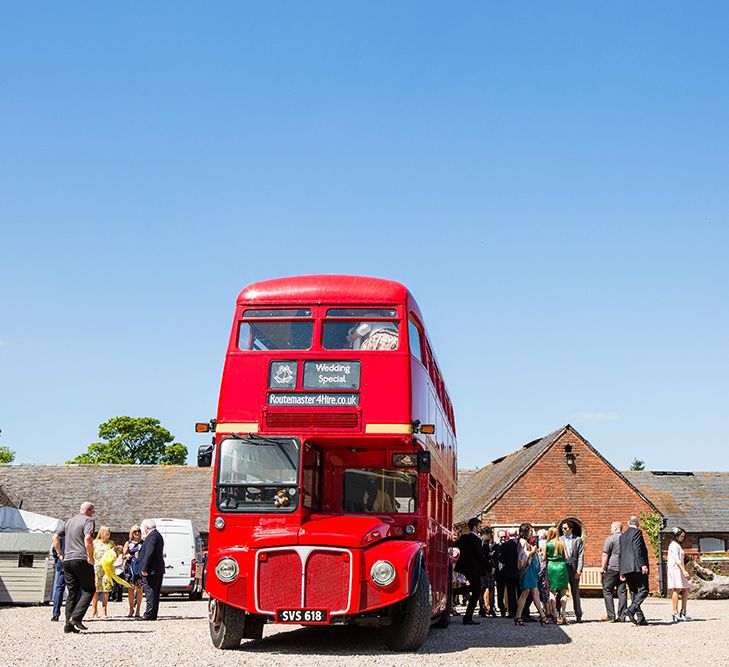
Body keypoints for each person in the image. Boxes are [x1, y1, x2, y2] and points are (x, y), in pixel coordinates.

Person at [51, 501, 96, 634]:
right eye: (93, 511)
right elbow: (88, 538)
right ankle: (76, 617)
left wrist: (60, 554)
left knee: (72, 592)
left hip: (67, 560)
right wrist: (90, 557)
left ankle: (68, 625)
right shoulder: (88, 521)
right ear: (89, 510)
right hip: (81, 559)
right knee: (89, 589)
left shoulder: (68, 522)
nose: (93, 513)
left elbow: (55, 537)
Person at [513, 523, 551, 626]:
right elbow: (521, 557)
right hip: (527, 570)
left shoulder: (526, 541)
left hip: (531, 570)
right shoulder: (522, 541)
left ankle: (519, 616)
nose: (531, 532)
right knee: (529, 592)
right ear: (525, 531)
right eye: (530, 530)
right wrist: (532, 551)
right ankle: (541, 616)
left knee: (530, 592)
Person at [453, 517, 486, 625]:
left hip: (468, 569)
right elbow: (480, 556)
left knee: (476, 589)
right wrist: (490, 566)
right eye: (480, 526)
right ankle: (467, 618)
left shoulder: (465, 538)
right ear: (475, 527)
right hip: (473, 569)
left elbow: (455, 544)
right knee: (477, 591)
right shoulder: (475, 539)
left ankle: (453, 592)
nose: (481, 528)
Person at [619, 515, 650, 625]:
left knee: (634, 592)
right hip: (636, 567)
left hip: (626, 568)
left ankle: (641, 618)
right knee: (644, 590)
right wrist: (642, 565)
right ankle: (631, 609)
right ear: (638, 524)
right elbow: (637, 549)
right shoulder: (637, 533)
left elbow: (621, 554)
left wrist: (621, 571)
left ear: (628, 523)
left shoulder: (622, 536)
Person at [138, 519, 166, 621]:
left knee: (150, 591)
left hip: (152, 569)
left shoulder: (152, 536)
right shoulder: (157, 535)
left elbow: (149, 552)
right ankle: (152, 613)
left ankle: (149, 614)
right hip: (157, 568)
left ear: (146, 528)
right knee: (154, 592)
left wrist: (145, 567)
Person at [601, 521, 627, 622]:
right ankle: (622, 616)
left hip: (612, 568)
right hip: (624, 569)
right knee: (622, 592)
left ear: (616, 528)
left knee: (607, 590)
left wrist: (603, 568)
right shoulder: (626, 539)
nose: (610, 530)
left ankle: (611, 616)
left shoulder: (610, 539)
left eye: (611, 528)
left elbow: (605, 554)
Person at [544, 526, 569, 624]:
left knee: (552, 592)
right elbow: (567, 557)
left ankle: (554, 613)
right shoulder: (561, 543)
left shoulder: (547, 544)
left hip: (551, 567)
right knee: (563, 592)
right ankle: (563, 614)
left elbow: (544, 558)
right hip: (562, 567)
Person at [560, 521, 584, 622]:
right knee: (561, 591)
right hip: (563, 567)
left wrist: (579, 569)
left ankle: (578, 615)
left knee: (575, 592)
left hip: (573, 568)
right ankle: (559, 614)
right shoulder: (560, 539)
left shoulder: (577, 540)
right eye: (562, 528)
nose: (563, 530)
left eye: (565, 528)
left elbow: (580, 556)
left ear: (570, 529)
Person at [667, 527, 691, 622]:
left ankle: (684, 611)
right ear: (676, 536)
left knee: (685, 588)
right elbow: (677, 560)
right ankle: (675, 611)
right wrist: (684, 570)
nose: (683, 538)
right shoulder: (673, 545)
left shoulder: (678, 545)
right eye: (681, 536)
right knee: (676, 589)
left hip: (680, 569)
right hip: (675, 569)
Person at [91, 526, 114, 618]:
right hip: (97, 568)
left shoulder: (111, 544)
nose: (108, 535)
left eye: (109, 533)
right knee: (95, 590)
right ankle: (94, 610)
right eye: (106, 533)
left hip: (106, 569)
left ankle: (104, 610)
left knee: (106, 590)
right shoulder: (95, 543)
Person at [123, 525, 144, 618]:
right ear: (132, 533)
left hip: (140, 567)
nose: (137, 533)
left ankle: (138, 610)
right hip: (130, 567)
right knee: (130, 589)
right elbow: (123, 555)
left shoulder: (143, 543)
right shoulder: (128, 543)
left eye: (139, 531)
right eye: (135, 531)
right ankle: (131, 609)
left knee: (140, 589)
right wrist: (127, 555)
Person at [497, 529, 519, 618]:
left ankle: (512, 611)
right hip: (519, 570)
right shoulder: (520, 544)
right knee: (520, 591)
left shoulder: (506, 545)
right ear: (517, 534)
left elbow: (501, 559)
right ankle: (521, 611)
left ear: (508, 535)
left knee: (510, 592)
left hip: (508, 571)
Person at [479, 526, 497, 617]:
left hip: (481, 569)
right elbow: (485, 556)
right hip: (487, 569)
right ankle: (491, 608)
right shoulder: (485, 543)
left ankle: (482, 608)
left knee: (482, 590)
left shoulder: (479, 542)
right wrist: (491, 555)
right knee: (490, 589)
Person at [50, 537, 66, 622]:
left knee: (59, 588)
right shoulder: (78, 534)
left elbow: (53, 550)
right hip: (74, 564)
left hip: (62, 563)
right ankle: (71, 615)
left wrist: (58, 556)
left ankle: (55, 614)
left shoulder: (61, 536)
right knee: (74, 590)